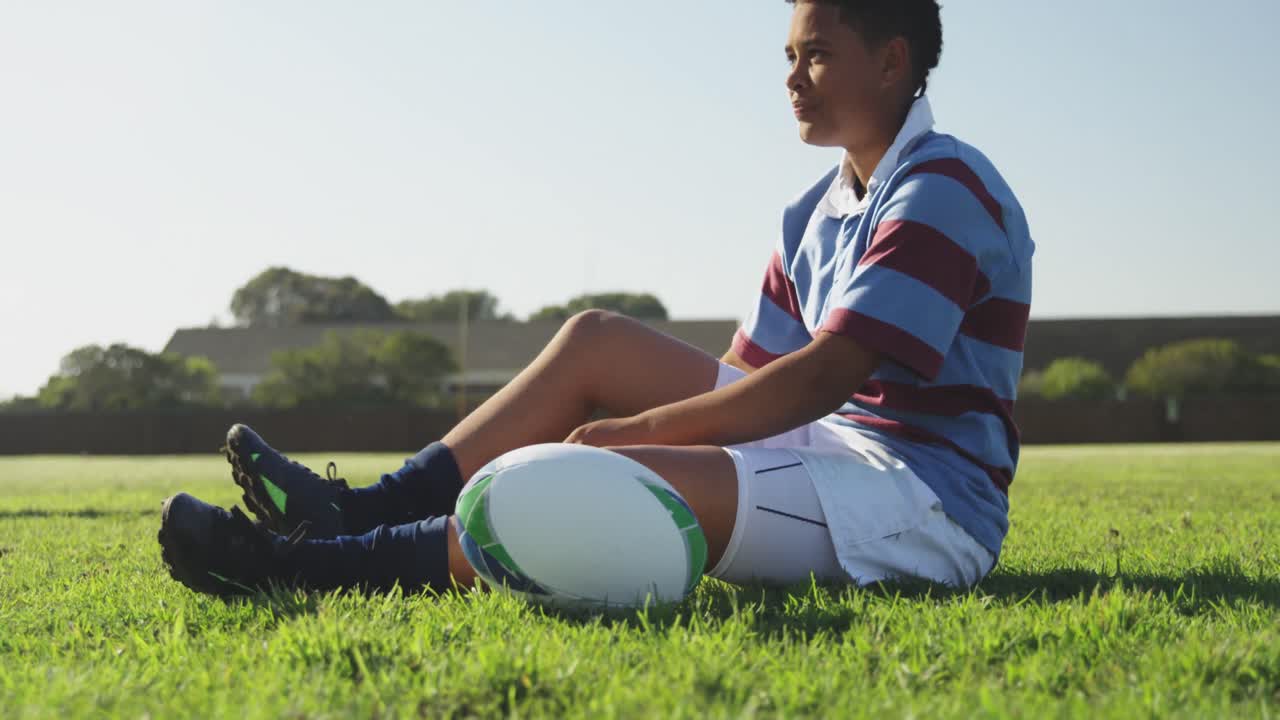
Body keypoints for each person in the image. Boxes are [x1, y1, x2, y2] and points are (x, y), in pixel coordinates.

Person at [158, 0, 1034, 597]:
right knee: (593, 340)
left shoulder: (943, 186)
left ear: (891, 61)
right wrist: (638, 414)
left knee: (584, 481)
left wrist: (633, 435)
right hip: (828, 441)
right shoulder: (811, 210)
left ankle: (307, 568)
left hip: (920, 495)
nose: (793, 76)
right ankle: (361, 509)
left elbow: (825, 378)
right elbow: (747, 380)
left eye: (818, 54)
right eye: (789, 55)